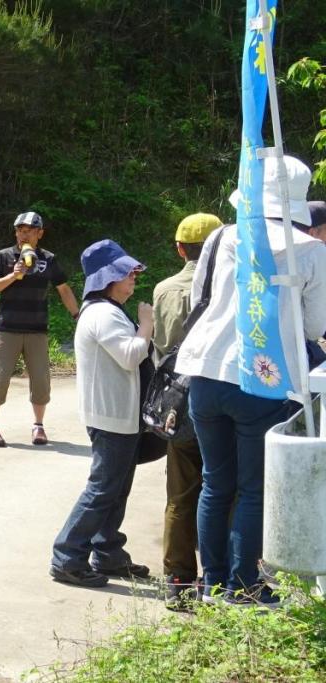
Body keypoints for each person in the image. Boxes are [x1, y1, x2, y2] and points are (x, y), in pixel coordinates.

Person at [176, 156, 326, 606]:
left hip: (205, 370)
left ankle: (213, 582)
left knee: (215, 482)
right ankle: (246, 586)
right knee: (252, 487)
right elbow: (316, 323)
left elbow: (197, 296)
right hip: (263, 378)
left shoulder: (222, 236)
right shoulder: (311, 249)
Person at [50, 239, 152, 588]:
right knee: (103, 489)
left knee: (116, 488)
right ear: (110, 278)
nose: (133, 280)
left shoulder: (105, 310)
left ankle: (108, 552)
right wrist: (147, 323)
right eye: (128, 275)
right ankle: (67, 556)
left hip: (119, 415)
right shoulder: (102, 313)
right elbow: (129, 355)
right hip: (111, 417)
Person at [151, 212, 221, 610]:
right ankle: (220, 578)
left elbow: (161, 348)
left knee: (180, 495)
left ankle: (177, 579)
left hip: (177, 403)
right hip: (219, 397)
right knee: (225, 489)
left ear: (180, 248)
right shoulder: (233, 289)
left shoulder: (163, 289)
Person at [0, 211, 79, 447]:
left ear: (40, 233)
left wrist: (78, 315)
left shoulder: (48, 259)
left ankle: (38, 426)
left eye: (28, 230)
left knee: (40, 380)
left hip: (37, 329)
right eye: (19, 230)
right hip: (8, 329)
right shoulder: (4, 256)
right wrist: (13, 276)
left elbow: (64, 289)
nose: (23, 234)